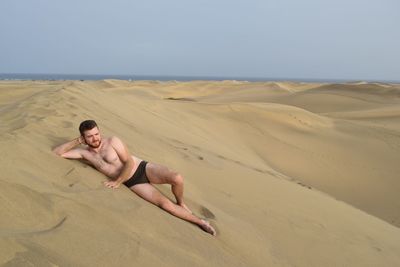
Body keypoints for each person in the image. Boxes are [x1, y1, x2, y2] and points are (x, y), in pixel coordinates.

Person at [53, 120, 216, 236]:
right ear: (83, 138)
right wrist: (76, 141)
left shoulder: (112, 141)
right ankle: (201, 222)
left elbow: (129, 162)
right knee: (165, 205)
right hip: (133, 183)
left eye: (97, 134)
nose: (95, 138)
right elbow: (57, 153)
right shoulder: (84, 153)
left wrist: (117, 182)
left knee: (177, 178)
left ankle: (181, 202)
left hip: (141, 169)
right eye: (89, 136)